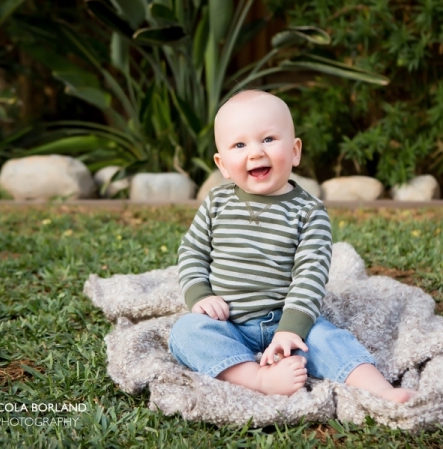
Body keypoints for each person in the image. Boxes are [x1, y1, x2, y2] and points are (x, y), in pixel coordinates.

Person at [168, 90, 417, 402]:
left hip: (285, 319)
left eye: (269, 139)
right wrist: (200, 295)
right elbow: (192, 251)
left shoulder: (309, 212)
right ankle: (256, 377)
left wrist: (291, 329)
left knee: (330, 339)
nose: (256, 153)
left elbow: (310, 276)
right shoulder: (217, 202)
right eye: (240, 145)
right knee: (186, 333)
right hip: (227, 322)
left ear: (295, 150)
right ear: (223, 164)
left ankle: (381, 390)